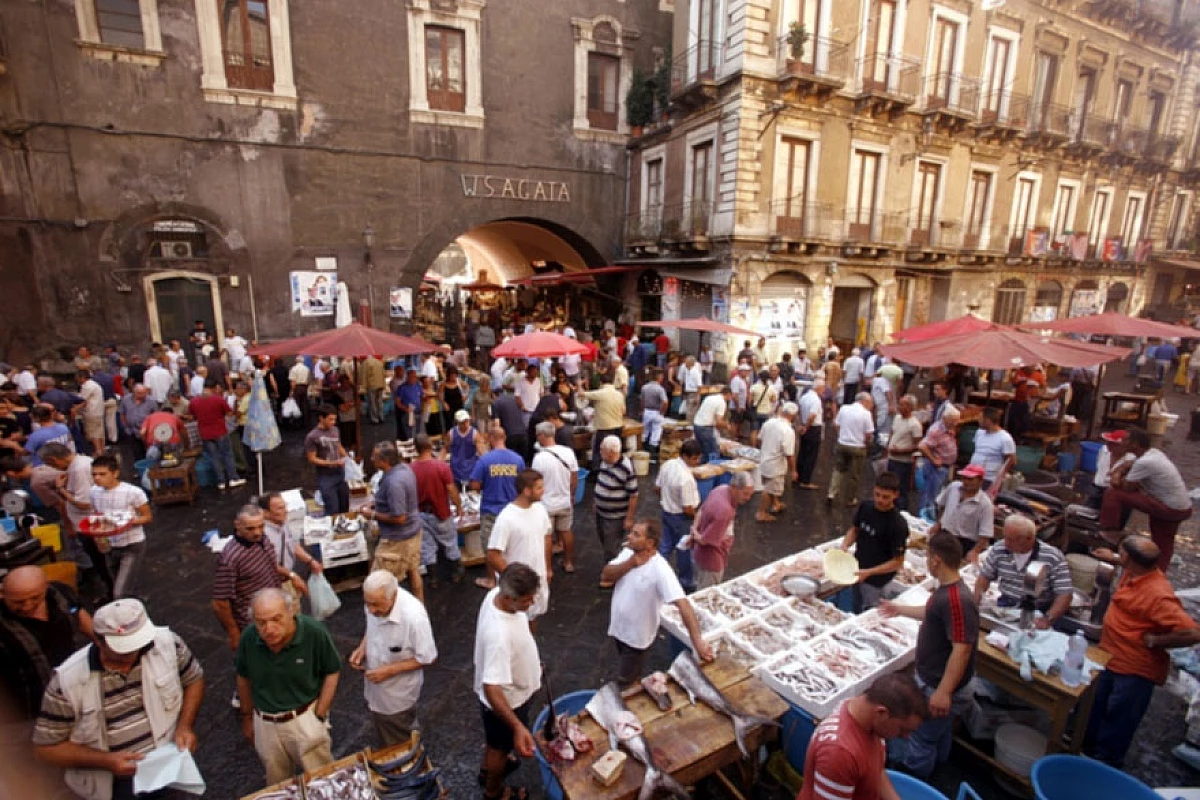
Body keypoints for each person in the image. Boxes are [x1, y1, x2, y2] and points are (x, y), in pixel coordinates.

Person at [33, 599, 204, 800]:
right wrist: (107, 761)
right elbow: (46, 749)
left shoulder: (168, 643)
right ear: (98, 640)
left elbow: (193, 679)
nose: (133, 653)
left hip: (171, 768)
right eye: (123, 649)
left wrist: (185, 726)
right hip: (115, 786)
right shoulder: (67, 681)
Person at [1084, 536, 1200, 768]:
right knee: (1094, 707)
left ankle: (1103, 766)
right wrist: (1112, 558)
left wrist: (1157, 639)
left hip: (1133, 669)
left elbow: (1192, 632)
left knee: (1117, 721)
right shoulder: (1135, 571)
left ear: (1129, 559)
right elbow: (1125, 559)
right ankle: (1085, 751)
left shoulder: (1157, 594)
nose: (1119, 556)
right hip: (1110, 655)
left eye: (1121, 553)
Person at [881, 533, 979, 778]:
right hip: (938, 683)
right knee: (939, 732)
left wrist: (943, 692)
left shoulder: (956, 599)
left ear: (935, 560)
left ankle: (914, 781)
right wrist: (898, 609)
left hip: (940, 688)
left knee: (921, 739)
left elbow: (962, 648)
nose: (926, 561)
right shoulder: (947, 591)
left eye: (927, 557)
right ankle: (939, 767)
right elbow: (933, 613)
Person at [236, 588, 340, 785]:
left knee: (323, 779)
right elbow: (243, 678)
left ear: (291, 612)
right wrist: (247, 718)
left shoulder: (314, 633)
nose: (269, 629)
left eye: (276, 619)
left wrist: (320, 714)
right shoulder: (249, 638)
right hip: (266, 723)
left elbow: (332, 671)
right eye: (261, 622)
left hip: (303, 719)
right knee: (277, 784)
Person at [601, 520, 713, 683]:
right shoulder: (628, 552)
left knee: (626, 680)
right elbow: (606, 575)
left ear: (649, 543)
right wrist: (630, 563)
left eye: (636, 535)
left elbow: (684, 605)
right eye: (632, 532)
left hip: (636, 639)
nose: (629, 537)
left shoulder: (660, 569)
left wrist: (697, 642)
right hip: (619, 629)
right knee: (630, 673)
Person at [213, 505, 306, 685]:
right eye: (250, 528)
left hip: (274, 607)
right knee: (260, 663)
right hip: (254, 622)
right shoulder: (230, 559)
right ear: (237, 526)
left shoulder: (262, 540)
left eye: (261, 526)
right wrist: (233, 633)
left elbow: (271, 565)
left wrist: (291, 575)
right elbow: (219, 602)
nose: (257, 532)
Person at [797, 672, 928, 800]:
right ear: (881, 713)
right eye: (902, 730)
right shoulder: (840, 753)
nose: (905, 737)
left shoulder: (868, 718)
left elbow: (875, 771)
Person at [475, 563, 542, 800]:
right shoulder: (498, 636)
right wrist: (517, 727)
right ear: (509, 598)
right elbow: (492, 687)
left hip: (514, 690)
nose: (531, 603)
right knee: (499, 747)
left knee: (496, 743)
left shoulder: (495, 594)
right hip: (508, 701)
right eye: (527, 600)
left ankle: (487, 769)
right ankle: (494, 791)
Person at [0, 566, 94, 734]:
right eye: (18, 602)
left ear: (45, 587)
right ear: (2, 594)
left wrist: (104, 643)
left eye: (35, 598)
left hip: (75, 693)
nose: (27, 606)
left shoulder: (61, 594)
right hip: (28, 713)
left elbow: (81, 618)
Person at [350, 570, 437, 745]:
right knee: (386, 728)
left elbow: (428, 657)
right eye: (368, 604)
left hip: (398, 695)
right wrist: (363, 647)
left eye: (376, 605)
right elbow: (372, 626)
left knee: (397, 736)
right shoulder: (374, 602)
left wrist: (389, 670)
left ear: (394, 595)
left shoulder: (414, 618)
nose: (371, 610)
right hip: (376, 689)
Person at [1098, 427, 1193, 570]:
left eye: (1125, 441)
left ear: (1134, 444)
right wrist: (1124, 467)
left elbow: (1123, 486)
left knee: (1113, 493)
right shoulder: (1153, 454)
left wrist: (1118, 471)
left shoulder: (1145, 462)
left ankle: (1109, 530)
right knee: (1163, 542)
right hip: (1180, 506)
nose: (1121, 443)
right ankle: (1158, 572)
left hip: (1170, 508)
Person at [974, 516, 1073, 627]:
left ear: (1029, 539)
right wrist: (975, 603)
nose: (1006, 543)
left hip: (1038, 611)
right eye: (1005, 537)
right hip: (1005, 606)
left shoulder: (1053, 557)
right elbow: (984, 577)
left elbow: (1065, 594)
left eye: (1012, 540)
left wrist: (1048, 618)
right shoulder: (999, 549)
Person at [364, 441, 423, 603]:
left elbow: (399, 517)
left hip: (397, 541)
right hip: (413, 533)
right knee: (413, 570)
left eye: (374, 457)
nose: (371, 459)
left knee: (378, 583)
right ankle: (420, 607)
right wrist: (377, 503)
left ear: (385, 461)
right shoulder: (405, 469)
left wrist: (372, 514)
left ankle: (387, 616)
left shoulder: (393, 483)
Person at [89, 455, 152, 600]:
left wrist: (126, 523)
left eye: (102, 474)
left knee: (119, 592)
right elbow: (97, 515)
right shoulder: (94, 492)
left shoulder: (133, 492)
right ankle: (135, 605)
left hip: (131, 544)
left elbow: (147, 517)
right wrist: (98, 536)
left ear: (115, 473)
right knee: (121, 582)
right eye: (94, 474)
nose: (97, 478)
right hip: (110, 545)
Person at [471, 429, 526, 591]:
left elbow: (475, 485)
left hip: (491, 509)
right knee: (512, 546)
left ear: (490, 439)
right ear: (505, 438)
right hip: (512, 509)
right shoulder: (518, 459)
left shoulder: (485, 460)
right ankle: (516, 577)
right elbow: (523, 482)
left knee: (491, 547)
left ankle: (491, 580)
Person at [410, 434, 465, 588]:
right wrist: (459, 506)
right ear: (430, 447)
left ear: (416, 449)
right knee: (450, 542)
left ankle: (433, 578)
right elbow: (451, 489)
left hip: (420, 513)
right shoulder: (441, 467)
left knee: (427, 546)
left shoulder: (411, 468)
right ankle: (456, 573)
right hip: (441, 512)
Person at [691, 471, 756, 589]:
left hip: (699, 555)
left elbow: (701, 510)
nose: (748, 498)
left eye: (750, 495)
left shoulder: (720, 489)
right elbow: (705, 541)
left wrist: (694, 529)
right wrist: (695, 534)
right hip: (711, 560)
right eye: (745, 494)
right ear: (734, 488)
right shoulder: (725, 511)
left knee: (699, 582)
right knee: (706, 593)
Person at [531, 422, 579, 575]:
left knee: (546, 537)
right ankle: (568, 562)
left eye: (538, 435)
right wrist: (571, 494)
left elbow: (535, 482)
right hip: (564, 500)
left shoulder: (539, 458)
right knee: (566, 531)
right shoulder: (568, 452)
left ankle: (547, 568)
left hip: (546, 504)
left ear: (543, 436)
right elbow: (574, 477)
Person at [656, 439, 703, 592]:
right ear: (687, 456)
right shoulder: (686, 479)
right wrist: (698, 518)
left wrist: (667, 499)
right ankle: (687, 581)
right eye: (696, 458)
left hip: (666, 512)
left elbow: (657, 488)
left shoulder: (668, 465)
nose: (698, 461)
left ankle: (656, 572)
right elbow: (688, 508)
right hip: (681, 518)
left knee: (665, 545)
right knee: (684, 548)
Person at [260, 492, 323, 603]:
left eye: (285, 506)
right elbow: (268, 563)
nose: (286, 511)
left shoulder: (282, 523)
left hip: (287, 579)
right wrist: (292, 575)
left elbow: (292, 544)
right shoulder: (263, 535)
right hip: (273, 586)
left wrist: (310, 561)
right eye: (280, 508)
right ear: (266, 513)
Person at [931, 464, 993, 564]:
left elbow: (985, 534)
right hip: (945, 533)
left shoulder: (985, 504)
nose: (966, 482)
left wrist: (975, 551)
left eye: (970, 479)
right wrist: (938, 523)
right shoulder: (953, 487)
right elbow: (942, 505)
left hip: (963, 542)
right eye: (964, 478)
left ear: (980, 481)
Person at [190, 380, 244, 490]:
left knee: (214, 457)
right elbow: (229, 413)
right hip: (220, 431)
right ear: (214, 388)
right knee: (227, 454)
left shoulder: (194, 401)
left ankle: (221, 481)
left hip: (205, 433)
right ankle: (233, 478)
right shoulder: (218, 399)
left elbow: (192, 416)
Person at [594, 436, 639, 563]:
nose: (600, 452)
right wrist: (596, 501)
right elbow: (601, 481)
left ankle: (612, 573)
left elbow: (634, 495)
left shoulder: (626, 468)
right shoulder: (605, 461)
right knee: (604, 540)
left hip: (615, 516)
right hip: (601, 512)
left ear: (612, 452)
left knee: (611, 547)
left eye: (603, 450)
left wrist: (629, 518)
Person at [826, 393, 874, 507]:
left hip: (843, 443)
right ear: (864, 401)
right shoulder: (866, 414)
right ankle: (850, 498)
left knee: (838, 469)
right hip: (858, 446)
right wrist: (866, 445)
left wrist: (841, 435)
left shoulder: (844, 409)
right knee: (855, 474)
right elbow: (868, 434)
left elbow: (836, 424)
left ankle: (831, 493)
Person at [757, 402, 798, 522]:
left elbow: (760, 439)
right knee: (769, 489)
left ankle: (776, 503)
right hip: (776, 464)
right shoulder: (788, 431)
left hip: (765, 459)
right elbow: (789, 454)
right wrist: (794, 470)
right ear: (793, 415)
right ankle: (761, 513)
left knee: (773, 486)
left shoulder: (769, 423)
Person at [916, 406, 960, 516]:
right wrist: (934, 459)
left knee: (937, 494)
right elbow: (922, 446)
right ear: (945, 418)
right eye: (953, 421)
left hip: (944, 467)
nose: (956, 423)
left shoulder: (948, 428)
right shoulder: (936, 431)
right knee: (930, 495)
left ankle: (931, 515)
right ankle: (924, 517)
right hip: (936, 468)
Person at [305, 405, 348, 514]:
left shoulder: (335, 430)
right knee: (332, 508)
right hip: (326, 476)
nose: (333, 422)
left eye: (334, 419)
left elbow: (338, 446)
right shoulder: (312, 436)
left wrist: (348, 458)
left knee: (344, 506)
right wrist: (331, 463)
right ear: (321, 418)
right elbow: (312, 458)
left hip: (340, 474)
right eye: (330, 419)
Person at [885, 395, 922, 511]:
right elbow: (892, 432)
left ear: (909, 407)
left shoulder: (915, 425)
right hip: (892, 459)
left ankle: (901, 511)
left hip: (903, 462)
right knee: (889, 486)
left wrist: (901, 451)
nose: (899, 407)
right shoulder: (897, 418)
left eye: (902, 405)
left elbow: (918, 446)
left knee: (901, 489)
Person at [581, 374, 626, 470]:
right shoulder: (619, 394)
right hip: (618, 427)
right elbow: (623, 411)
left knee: (600, 450)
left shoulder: (600, 393)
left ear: (601, 383)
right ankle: (616, 469)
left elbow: (582, 394)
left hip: (604, 428)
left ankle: (597, 471)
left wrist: (579, 384)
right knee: (615, 449)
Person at [969, 407, 1015, 490]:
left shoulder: (1005, 438)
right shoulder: (979, 432)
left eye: (980, 418)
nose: (978, 420)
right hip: (972, 474)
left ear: (988, 420)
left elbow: (1011, 460)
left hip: (989, 479)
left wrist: (1000, 477)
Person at [795, 379, 824, 489]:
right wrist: (806, 427)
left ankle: (798, 476)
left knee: (802, 453)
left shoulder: (804, 397)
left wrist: (801, 425)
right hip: (813, 428)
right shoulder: (816, 400)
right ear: (819, 388)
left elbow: (799, 412)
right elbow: (812, 416)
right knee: (811, 455)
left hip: (804, 425)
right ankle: (805, 480)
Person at [693, 385, 732, 462]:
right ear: (728, 394)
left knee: (702, 451)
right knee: (712, 452)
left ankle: (702, 468)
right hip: (705, 428)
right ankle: (711, 470)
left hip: (697, 425)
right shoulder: (722, 403)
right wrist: (727, 425)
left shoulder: (709, 397)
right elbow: (719, 421)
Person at [640, 369, 669, 462]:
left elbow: (642, 400)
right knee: (656, 433)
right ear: (659, 377)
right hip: (656, 411)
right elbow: (665, 402)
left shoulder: (644, 387)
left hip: (647, 411)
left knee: (645, 432)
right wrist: (662, 411)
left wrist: (642, 410)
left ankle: (642, 452)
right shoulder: (660, 389)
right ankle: (652, 457)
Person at [76, 370, 106, 457]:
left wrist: (75, 408)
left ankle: (98, 451)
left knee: (93, 433)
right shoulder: (95, 384)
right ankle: (102, 449)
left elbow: (81, 399)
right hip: (98, 411)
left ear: (82, 377)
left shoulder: (87, 386)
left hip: (91, 412)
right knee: (100, 432)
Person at [393, 368, 423, 442]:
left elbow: (421, 396)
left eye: (415, 377)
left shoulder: (418, 385)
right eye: (411, 377)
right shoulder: (402, 388)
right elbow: (397, 402)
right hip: (408, 413)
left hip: (418, 412)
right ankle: (410, 444)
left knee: (418, 431)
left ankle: (417, 444)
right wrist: (405, 409)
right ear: (407, 377)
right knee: (410, 432)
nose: (413, 378)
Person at [360, 354, 387, 424]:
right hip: (380, 384)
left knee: (372, 402)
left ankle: (375, 419)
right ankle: (381, 417)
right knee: (379, 401)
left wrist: (363, 387)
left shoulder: (366, 362)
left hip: (372, 385)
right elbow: (384, 374)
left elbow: (364, 374)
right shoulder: (379, 362)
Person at [288, 356, 312, 428]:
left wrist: (291, 391)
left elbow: (293, 382)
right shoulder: (307, 368)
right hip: (305, 387)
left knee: (297, 405)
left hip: (297, 388)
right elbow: (309, 380)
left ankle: (297, 423)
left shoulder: (294, 369)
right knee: (305, 405)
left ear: (296, 361)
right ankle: (306, 422)